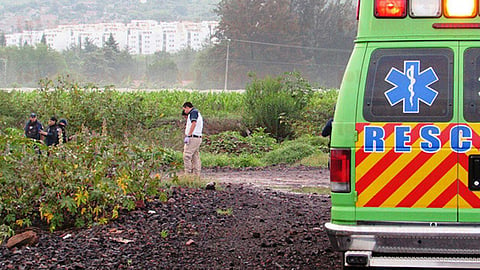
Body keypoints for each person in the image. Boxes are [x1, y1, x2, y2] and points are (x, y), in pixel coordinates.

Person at [182, 102, 203, 175]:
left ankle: (187, 174)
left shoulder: (193, 112)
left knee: (186, 156)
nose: (185, 112)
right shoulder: (197, 113)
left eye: (184, 110)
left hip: (193, 137)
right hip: (197, 138)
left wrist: (189, 135)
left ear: (187, 107)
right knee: (195, 156)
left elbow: (194, 123)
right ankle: (196, 175)